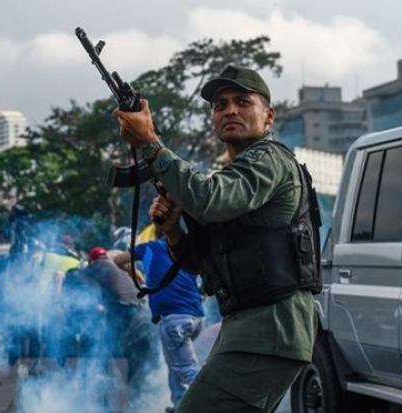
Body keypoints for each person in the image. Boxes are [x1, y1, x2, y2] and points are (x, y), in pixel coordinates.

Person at [113, 65, 321, 413]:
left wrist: (151, 144)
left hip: (267, 333)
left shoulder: (268, 160)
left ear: (268, 116)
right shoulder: (237, 176)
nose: (230, 111)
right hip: (254, 332)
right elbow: (200, 265)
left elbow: (209, 199)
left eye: (243, 102)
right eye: (220, 105)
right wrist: (173, 228)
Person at [113, 230, 205, 412]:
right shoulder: (187, 250)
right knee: (175, 363)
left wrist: (134, 273)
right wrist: (201, 292)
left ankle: (213, 405)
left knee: (186, 368)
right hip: (196, 317)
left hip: (174, 320)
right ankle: (180, 404)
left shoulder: (150, 247)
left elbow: (118, 260)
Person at [82, 246, 156, 407]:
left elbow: (82, 292)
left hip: (126, 317)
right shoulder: (120, 267)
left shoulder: (93, 268)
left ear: (91, 260)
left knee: (112, 359)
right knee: (137, 366)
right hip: (145, 317)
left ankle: (114, 404)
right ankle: (138, 404)